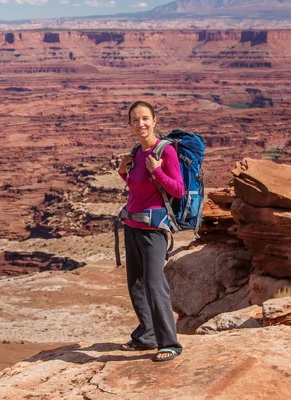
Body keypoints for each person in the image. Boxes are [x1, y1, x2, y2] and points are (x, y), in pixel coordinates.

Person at [117, 100, 184, 362]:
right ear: (130, 124)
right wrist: (124, 172)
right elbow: (136, 188)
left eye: (145, 118)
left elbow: (176, 189)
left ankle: (169, 343)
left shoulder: (165, 152)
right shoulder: (136, 152)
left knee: (155, 284)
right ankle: (146, 335)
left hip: (153, 229)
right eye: (135, 120)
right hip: (132, 224)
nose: (140, 124)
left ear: (155, 121)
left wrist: (157, 171)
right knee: (135, 284)